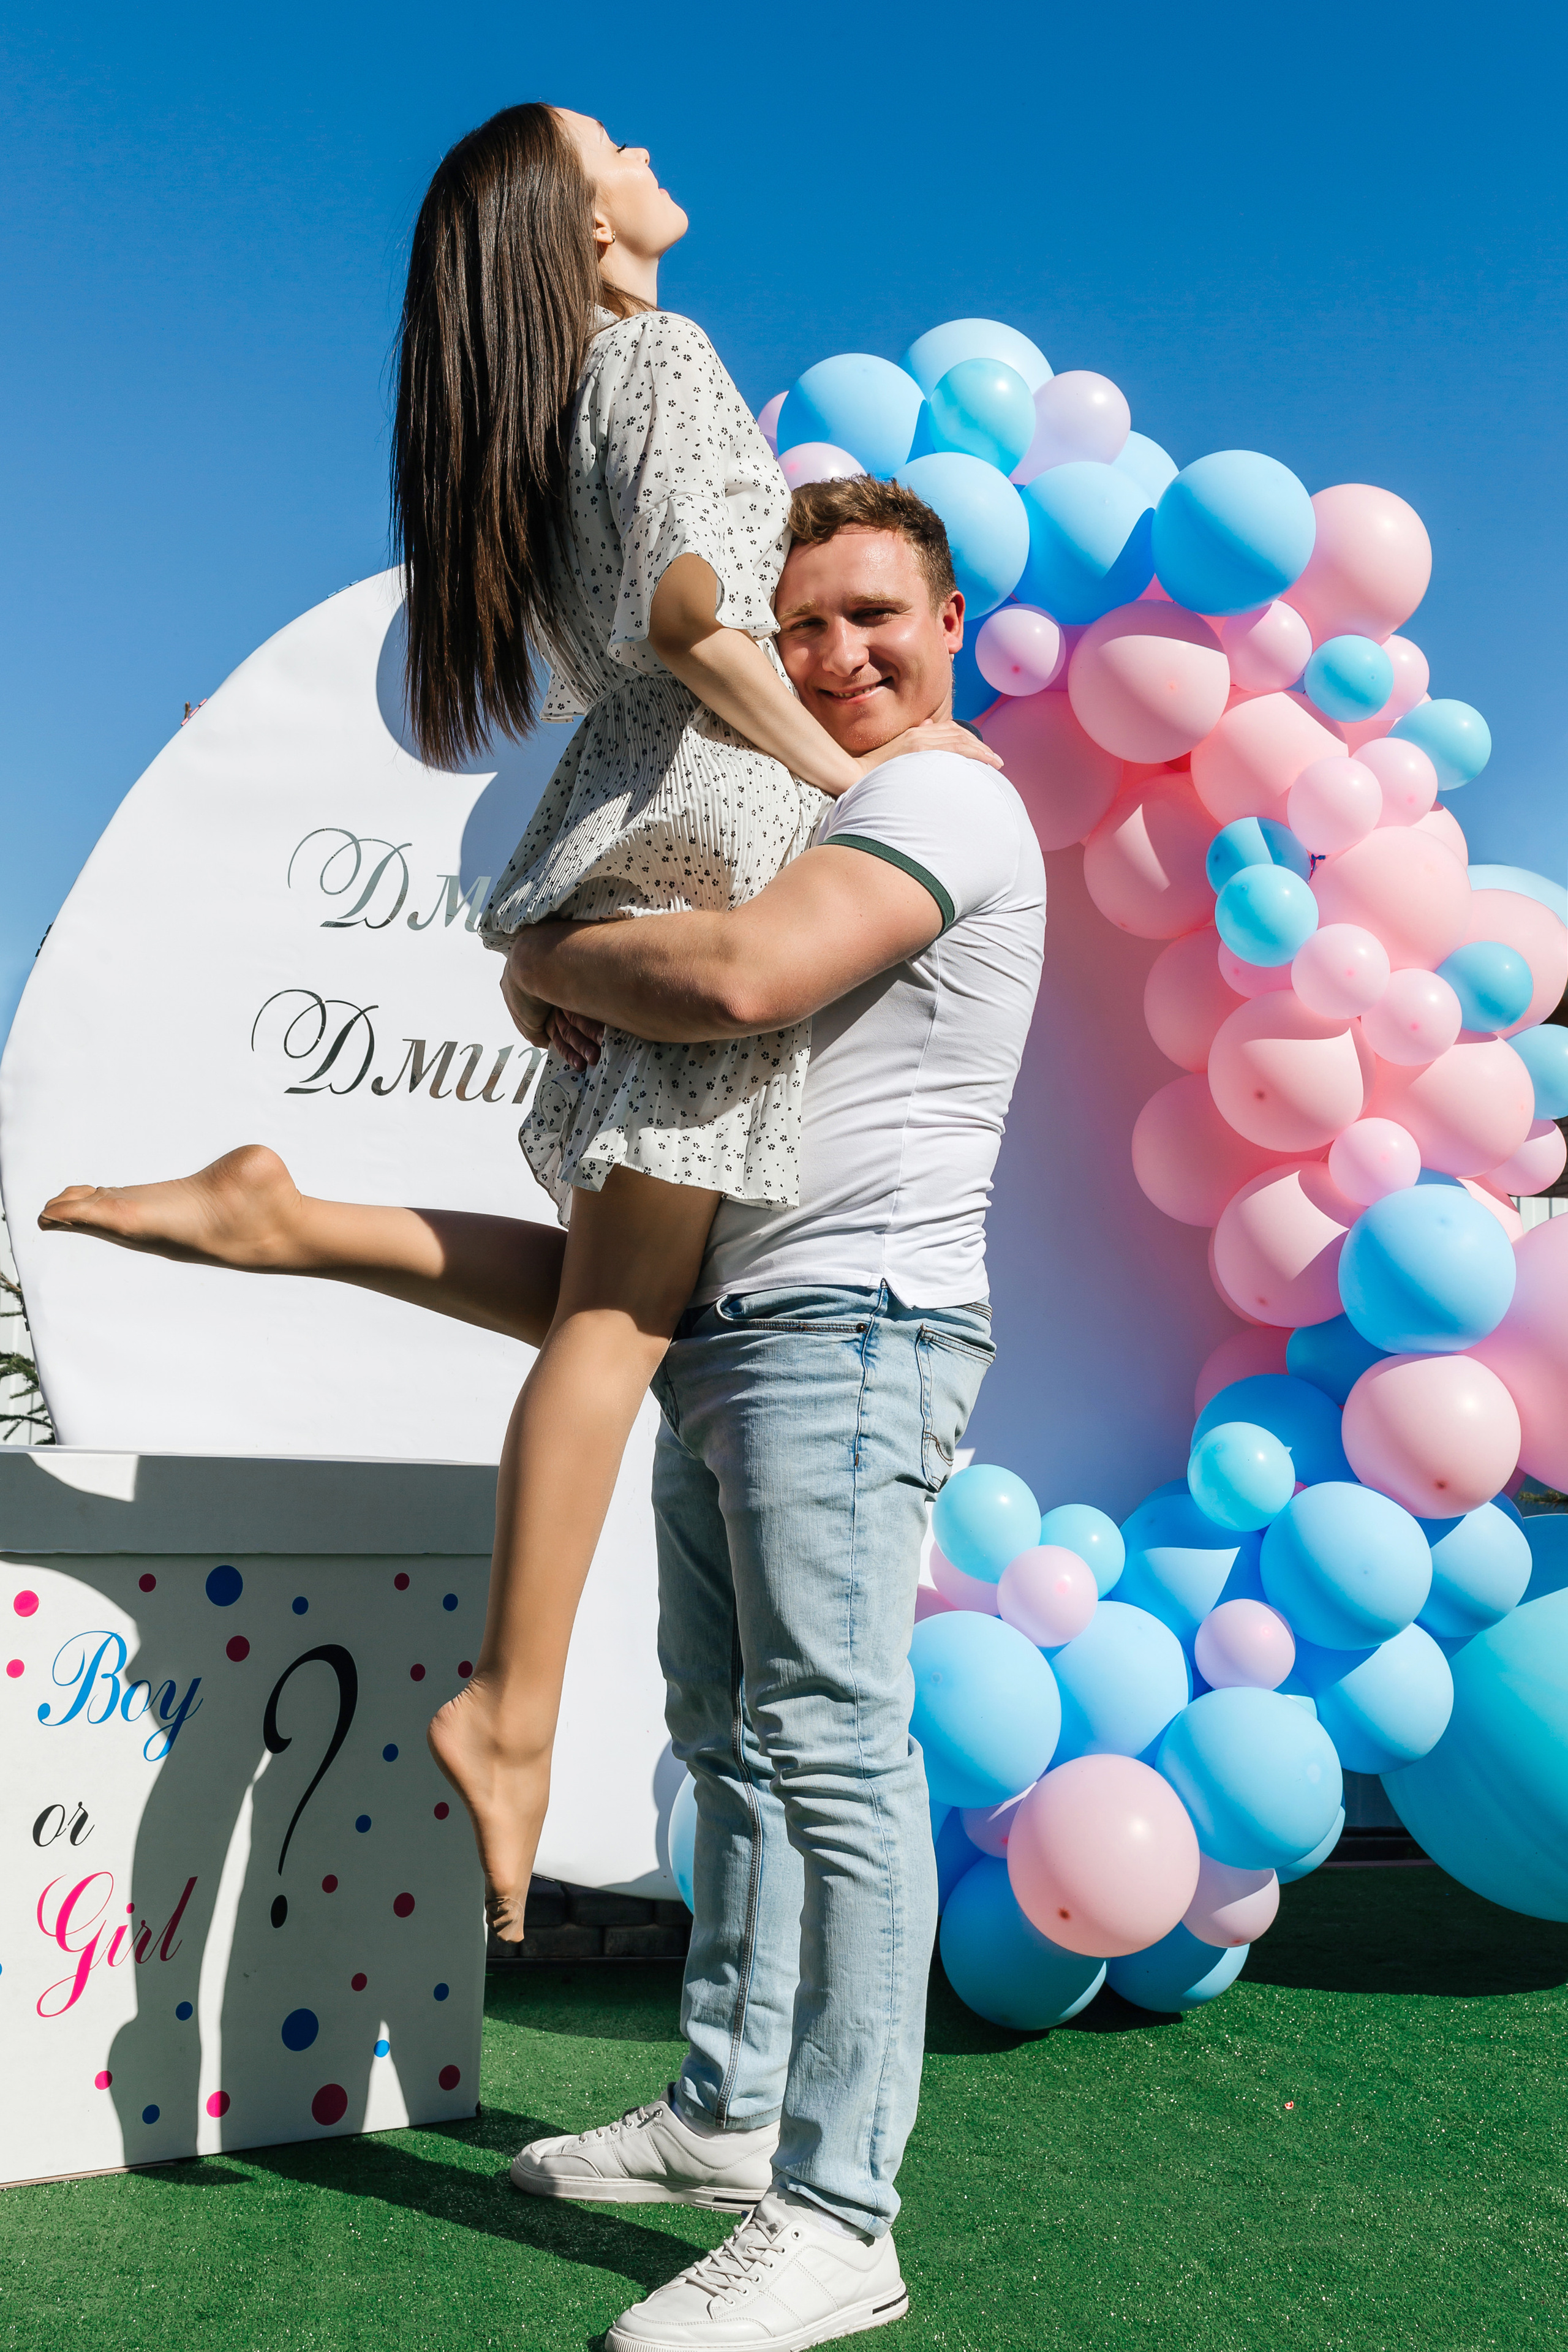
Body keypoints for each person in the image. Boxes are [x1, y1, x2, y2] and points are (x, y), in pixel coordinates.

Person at [42, 475, 1047, 2350]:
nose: (834, 655)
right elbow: (619, 1260)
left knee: (831, 1748)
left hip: (855, 1332)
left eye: (872, 617)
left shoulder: (939, 797)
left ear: (952, 628)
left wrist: (537, 956)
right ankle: (732, 2119)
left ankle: (844, 2212)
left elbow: (740, 972)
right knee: (731, 1744)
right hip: (731, 1327)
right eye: (802, 622)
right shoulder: (810, 807)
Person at [41, 100, 997, 1946]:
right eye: (611, 143)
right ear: (581, 226)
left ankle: (286, 1218)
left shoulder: (555, 410)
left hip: (637, 831)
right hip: (703, 834)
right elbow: (693, 609)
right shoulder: (655, 353)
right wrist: (846, 781)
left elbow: (633, 623)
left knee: (624, 1285)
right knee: (634, 1312)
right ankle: (512, 1705)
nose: (648, 150)